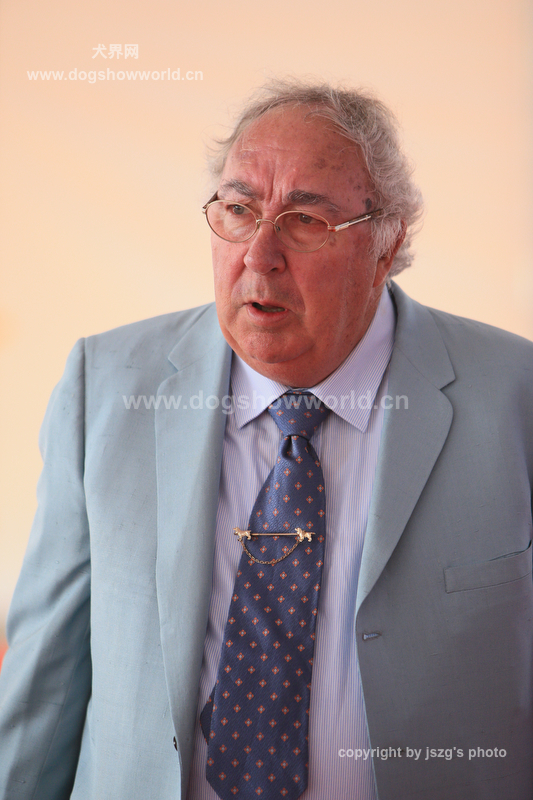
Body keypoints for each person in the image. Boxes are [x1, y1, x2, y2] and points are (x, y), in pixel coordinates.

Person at [0, 79, 532, 800]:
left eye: (305, 220)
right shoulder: (107, 384)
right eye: (238, 210)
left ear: (387, 244)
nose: (258, 255)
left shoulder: (514, 397)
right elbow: (44, 682)